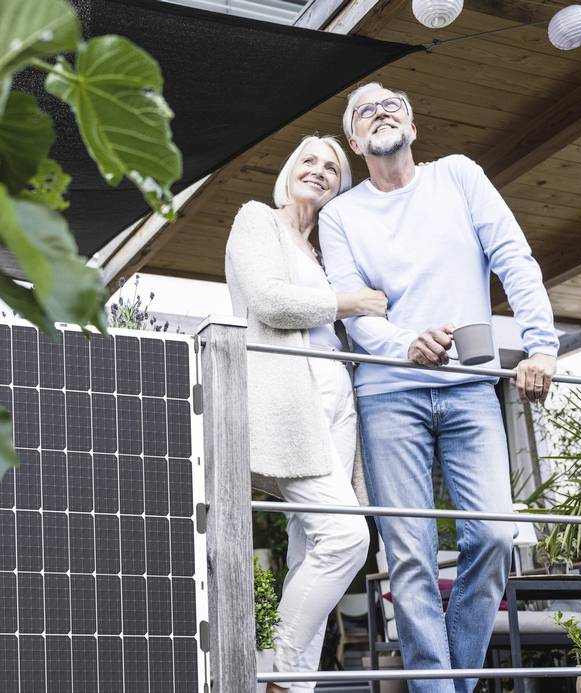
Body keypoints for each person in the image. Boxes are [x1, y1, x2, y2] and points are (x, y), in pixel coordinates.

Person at [318, 83, 560, 693]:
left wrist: (542, 346)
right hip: (387, 394)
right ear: (355, 142)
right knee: (410, 555)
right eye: (365, 111)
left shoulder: (459, 176)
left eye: (392, 105)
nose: (380, 111)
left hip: (470, 388)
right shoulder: (340, 215)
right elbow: (354, 310)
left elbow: (514, 258)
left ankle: (450, 683)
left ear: (413, 126)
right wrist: (406, 344)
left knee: (495, 533)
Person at [225, 135, 386, 692]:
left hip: (337, 409)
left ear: (340, 186)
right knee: (347, 539)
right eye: (309, 161)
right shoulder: (257, 220)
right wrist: (351, 301)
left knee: (310, 552)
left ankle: (294, 687)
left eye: (332, 168)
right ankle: (279, 680)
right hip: (292, 407)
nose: (319, 170)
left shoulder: (324, 251)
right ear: (290, 170)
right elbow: (269, 300)